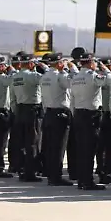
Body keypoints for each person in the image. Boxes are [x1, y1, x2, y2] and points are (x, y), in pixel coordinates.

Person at [70, 53, 111, 190]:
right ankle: (87, 182)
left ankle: (82, 180)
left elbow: (72, 100)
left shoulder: (75, 77)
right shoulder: (93, 76)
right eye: (94, 62)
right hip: (91, 116)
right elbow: (110, 80)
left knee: (81, 150)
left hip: (78, 114)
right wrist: (105, 68)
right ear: (90, 63)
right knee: (90, 149)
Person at [39, 52, 77, 186]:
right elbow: (73, 83)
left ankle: (51, 174)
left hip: (48, 112)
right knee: (59, 148)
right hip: (60, 113)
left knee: (50, 147)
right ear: (59, 63)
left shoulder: (45, 76)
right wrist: (72, 68)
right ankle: (56, 177)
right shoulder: (60, 77)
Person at [11, 52, 45, 182]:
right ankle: (30, 172)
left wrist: (16, 112)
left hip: (20, 110)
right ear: (31, 63)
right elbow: (46, 79)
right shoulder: (33, 76)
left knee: (21, 142)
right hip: (32, 110)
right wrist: (42, 67)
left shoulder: (15, 77)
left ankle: (21, 170)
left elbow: (12, 98)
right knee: (32, 142)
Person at [96, 58, 111, 184]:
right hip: (108, 114)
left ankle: (100, 169)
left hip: (99, 113)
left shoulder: (98, 77)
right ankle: (108, 172)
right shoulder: (110, 78)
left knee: (101, 146)